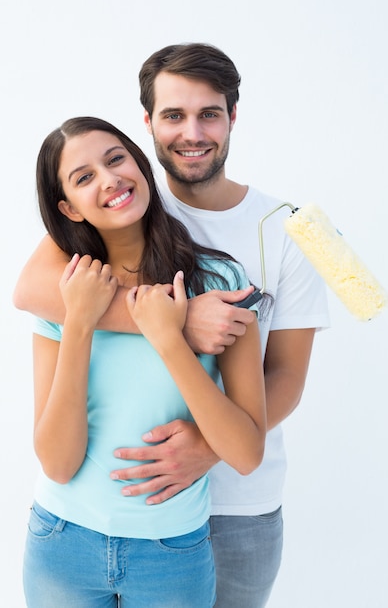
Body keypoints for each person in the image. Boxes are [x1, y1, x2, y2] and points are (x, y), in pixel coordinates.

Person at [14, 43, 330, 607]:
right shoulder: (119, 205)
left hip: (235, 508)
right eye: (173, 115)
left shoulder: (294, 230)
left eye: (209, 113)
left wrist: (209, 445)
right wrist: (173, 324)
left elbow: (286, 375)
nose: (191, 132)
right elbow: (32, 293)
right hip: (74, 527)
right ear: (148, 127)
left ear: (234, 116)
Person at [22, 116, 267, 608]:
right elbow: (57, 462)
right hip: (61, 542)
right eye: (84, 176)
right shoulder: (68, 291)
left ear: (139, 163)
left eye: (116, 159)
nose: (109, 179)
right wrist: (79, 321)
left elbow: (245, 454)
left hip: (172, 552)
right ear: (67, 207)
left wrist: (170, 338)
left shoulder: (219, 279)